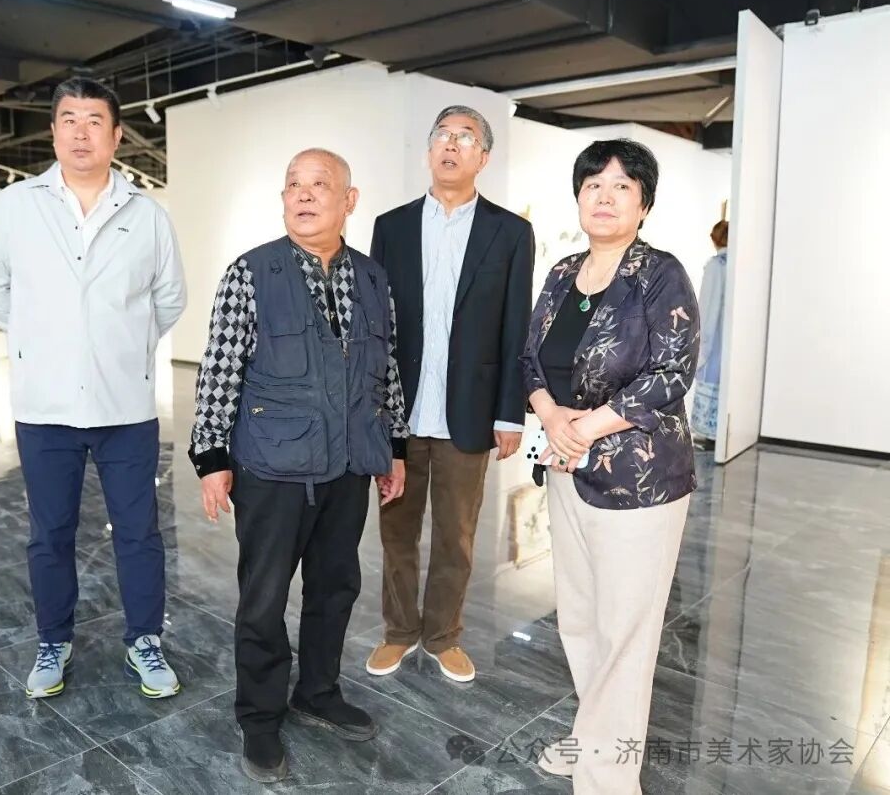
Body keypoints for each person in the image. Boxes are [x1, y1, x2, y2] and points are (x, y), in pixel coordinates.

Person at [189, 148, 408, 783]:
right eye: (293, 185)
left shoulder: (372, 278)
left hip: (347, 464)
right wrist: (211, 457)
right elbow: (220, 368)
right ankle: (259, 717)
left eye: (319, 184)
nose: (304, 195)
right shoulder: (251, 272)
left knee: (336, 586)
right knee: (263, 598)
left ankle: (317, 691)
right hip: (273, 467)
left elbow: (387, 367)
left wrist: (392, 448)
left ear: (349, 200)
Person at [0, 77, 187, 701]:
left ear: (117, 136)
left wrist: (121, 345)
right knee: (50, 533)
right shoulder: (16, 206)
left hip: (126, 407)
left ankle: (144, 640)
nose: (81, 132)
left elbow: (169, 298)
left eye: (95, 121)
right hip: (44, 406)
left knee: (139, 532)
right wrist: (39, 341)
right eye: (69, 119)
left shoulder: (147, 215)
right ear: (52, 132)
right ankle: (53, 640)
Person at [520, 139, 700, 795]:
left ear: (643, 204)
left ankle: (608, 778)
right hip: (567, 469)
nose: (605, 195)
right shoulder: (563, 272)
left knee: (625, 634)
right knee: (579, 619)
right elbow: (530, 360)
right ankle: (593, 739)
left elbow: (671, 371)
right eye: (594, 184)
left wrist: (585, 426)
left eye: (623, 186)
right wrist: (551, 415)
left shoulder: (659, 275)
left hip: (639, 481)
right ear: (578, 197)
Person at [365, 106, 534, 683]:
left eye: (465, 137)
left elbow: (516, 328)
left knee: (456, 536)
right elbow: (377, 325)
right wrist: (374, 408)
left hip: (469, 409)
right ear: (428, 150)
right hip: (401, 410)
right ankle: (398, 631)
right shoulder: (391, 226)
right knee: (396, 530)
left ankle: (443, 635)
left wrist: (510, 412)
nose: (451, 145)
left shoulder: (510, 233)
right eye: (442, 135)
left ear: (483, 157)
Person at [691, 220, 728, 447]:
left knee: (711, 375)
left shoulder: (716, 265)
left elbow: (707, 305)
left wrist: (700, 339)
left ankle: (709, 432)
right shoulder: (736, 264)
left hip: (714, 335)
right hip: (729, 333)